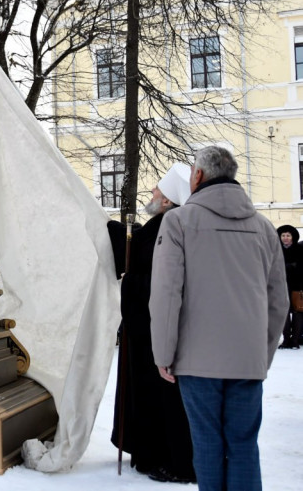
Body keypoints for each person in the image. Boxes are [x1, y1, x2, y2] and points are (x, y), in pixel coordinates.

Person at [149, 146, 288, 491]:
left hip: (197, 361)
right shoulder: (264, 227)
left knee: (208, 445)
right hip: (246, 359)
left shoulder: (178, 221)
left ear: (198, 175)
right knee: (243, 445)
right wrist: (262, 354)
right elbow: (278, 301)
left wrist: (163, 353)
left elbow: (166, 294)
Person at [107, 164, 195, 483]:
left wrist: (130, 282)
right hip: (148, 325)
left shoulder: (170, 226)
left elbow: (160, 278)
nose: (153, 192)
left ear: (168, 200)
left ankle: (164, 457)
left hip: (155, 328)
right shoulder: (164, 224)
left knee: (160, 397)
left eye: (158, 189)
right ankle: (152, 451)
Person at [277, 225, 303, 350]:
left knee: (298, 312)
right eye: (283, 235)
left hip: (297, 286)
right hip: (281, 286)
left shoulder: (300, 249)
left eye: (288, 235)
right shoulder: (276, 250)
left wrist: (290, 267)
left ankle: (295, 340)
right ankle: (286, 340)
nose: (285, 238)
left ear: (293, 237)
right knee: (283, 313)